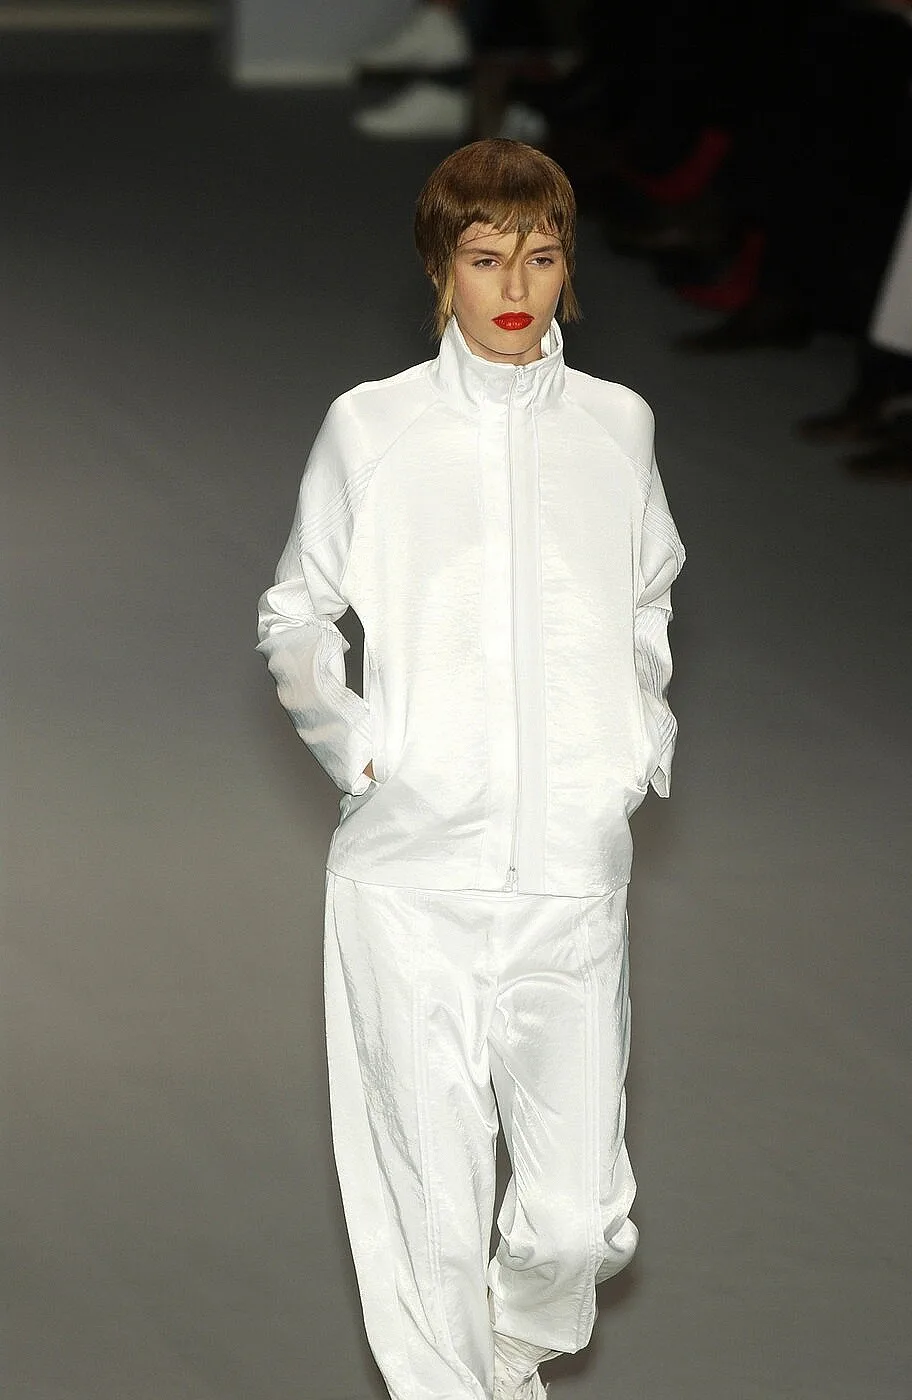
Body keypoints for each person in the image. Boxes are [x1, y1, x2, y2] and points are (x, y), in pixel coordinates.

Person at [256, 139, 685, 1400]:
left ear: (568, 268)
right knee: (428, 1207)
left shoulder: (617, 426)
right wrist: (360, 747)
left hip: (570, 878)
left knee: (573, 1219)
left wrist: (635, 745)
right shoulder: (373, 426)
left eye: (541, 258)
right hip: (409, 880)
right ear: (440, 270)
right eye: (487, 257)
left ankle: (512, 1351)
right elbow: (295, 610)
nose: (516, 286)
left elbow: (649, 596)